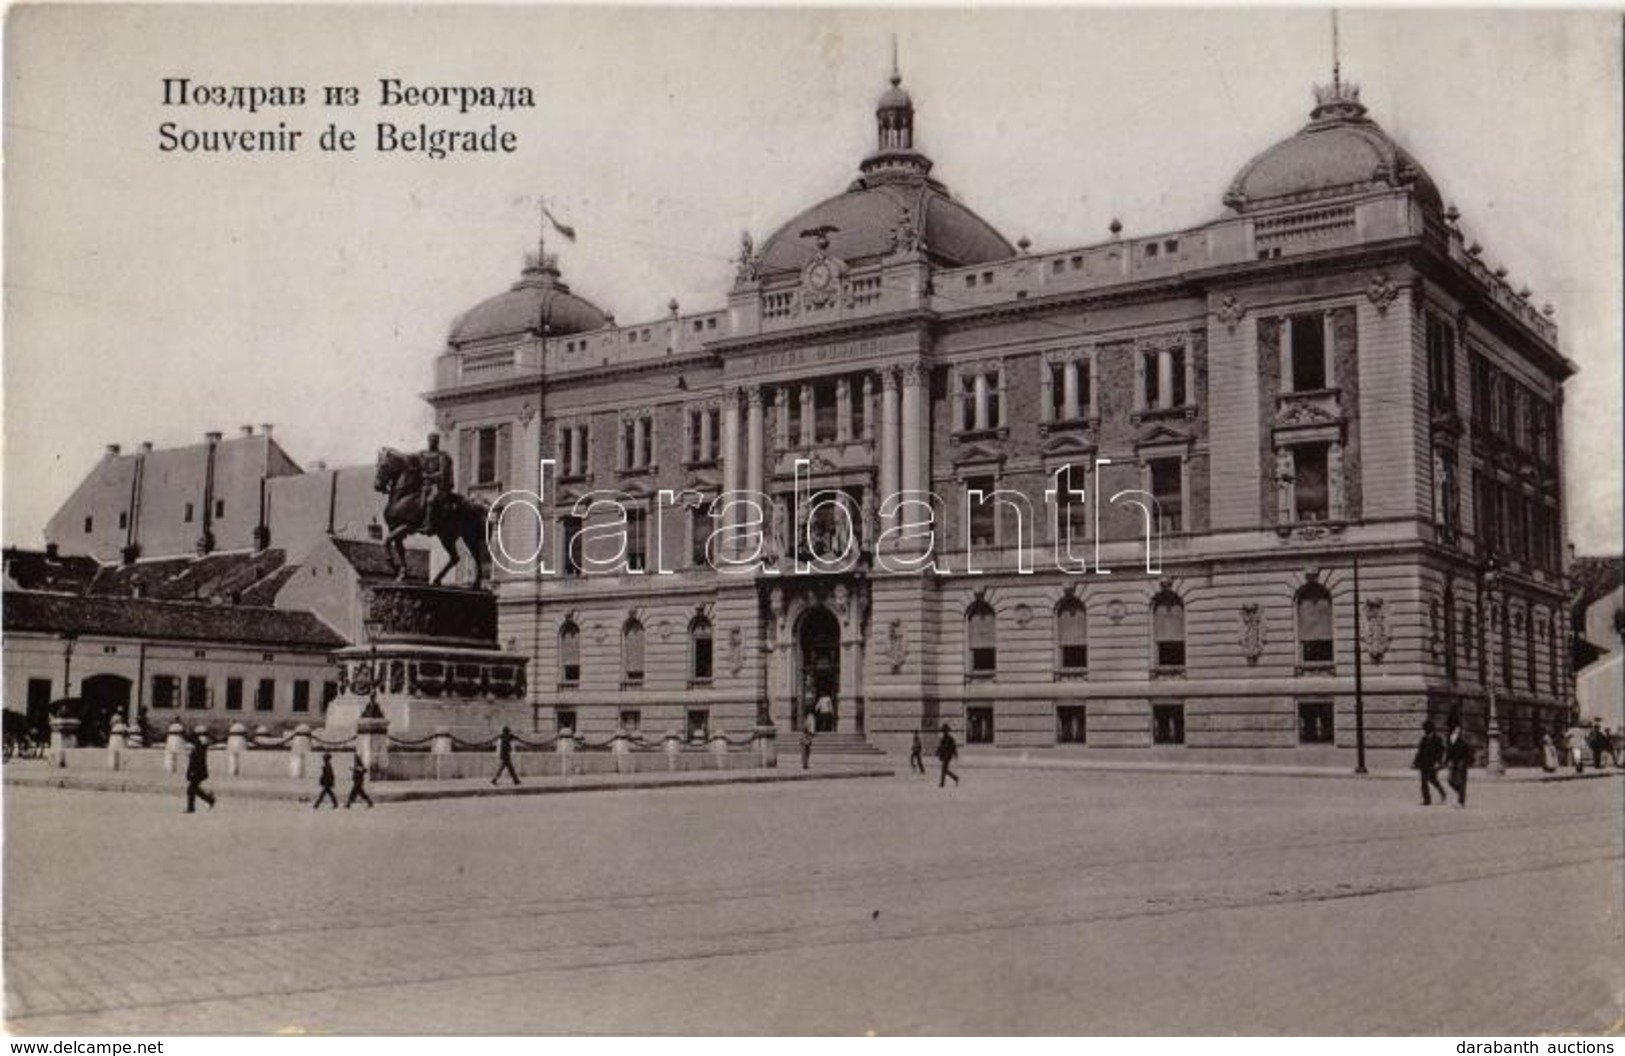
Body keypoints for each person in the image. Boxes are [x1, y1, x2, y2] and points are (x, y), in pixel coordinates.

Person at [418, 431, 455, 534]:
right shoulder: (422, 454)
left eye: (434, 441)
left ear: (437, 442)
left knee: (430, 500)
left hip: (437, 486)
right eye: (430, 440)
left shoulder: (442, 456)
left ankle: (428, 525)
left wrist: (429, 476)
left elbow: (442, 473)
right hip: (424, 484)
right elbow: (419, 469)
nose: (431, 442)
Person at [1411, 719, 1447, 806]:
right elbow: (1420, 752)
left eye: (1426, 729)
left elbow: (1440, 751)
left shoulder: (1437, 739)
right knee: (1423, 782)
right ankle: (1427, 800)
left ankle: (1442, 793)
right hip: (1424, 763)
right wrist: (1415, 762)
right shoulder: (1424, 739)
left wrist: (1438, 762)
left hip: (1432, 763)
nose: (1425, 731)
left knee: (1433, 780)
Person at [184, 732, 216, 813]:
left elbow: (195, 763)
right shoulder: (200, 749)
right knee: (194, 789)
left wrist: (192, 772)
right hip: (199, 773)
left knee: (191, 789)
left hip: (197, 773)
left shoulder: (198, 750)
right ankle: (209, 800)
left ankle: (191, 808)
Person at [1444, 725, 1473, 808]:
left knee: (1462, 783)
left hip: (1461, 766)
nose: (1455, 734)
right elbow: (1449, 753)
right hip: (1453, 765)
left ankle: (1461, 802)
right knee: (1450, 781)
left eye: (1457, 732)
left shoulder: (1463, 743)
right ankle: (1460, 793)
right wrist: (1447, 762)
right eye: (1455, 732)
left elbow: (1468, 754)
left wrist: (1464, 762)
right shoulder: (1450, 742)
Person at [936, 722, 960, 788]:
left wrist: (955, 754)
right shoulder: (943, 739)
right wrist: (937, 752)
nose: (944, 732)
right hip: (944, 756)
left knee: (943, 769)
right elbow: (940, 747)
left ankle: (942, 784)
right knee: (945, 770)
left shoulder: (950, 739)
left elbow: (953, 747)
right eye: (943, 731)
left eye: (945, 731)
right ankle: (955, 778)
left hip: (947, 756)